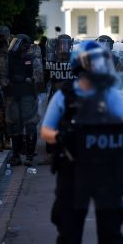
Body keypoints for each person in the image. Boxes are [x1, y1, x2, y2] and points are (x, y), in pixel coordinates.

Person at [41, 41, 123, 244]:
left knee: (110, 230)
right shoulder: (64, 96)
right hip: (72, 168)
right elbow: (46, 130)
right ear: (80, 65)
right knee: (69, 229)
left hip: (105, 167)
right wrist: (60, 137)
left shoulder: (110, 94)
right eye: (94, 63)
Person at [3, 34, 43, 166]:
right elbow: (4, 77)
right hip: (14, 95)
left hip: (28, 96)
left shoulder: (31, 59)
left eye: (19, 43)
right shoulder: (10, 59)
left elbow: (38, 77)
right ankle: (16, 156)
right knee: (15, 125)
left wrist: (27, 81)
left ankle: (29, 156)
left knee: (30, 125)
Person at [39, 34, 75, 165]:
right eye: (61, 44)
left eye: (66, 44)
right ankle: (50, 155)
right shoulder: (52, 61)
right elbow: (45, 79)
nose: (64, 47)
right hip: (55, 97)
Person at [0, 26, 10, 151]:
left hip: (8, 86)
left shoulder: (10, 50)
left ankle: (7, 140)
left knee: (8, 116)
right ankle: (1, 140)